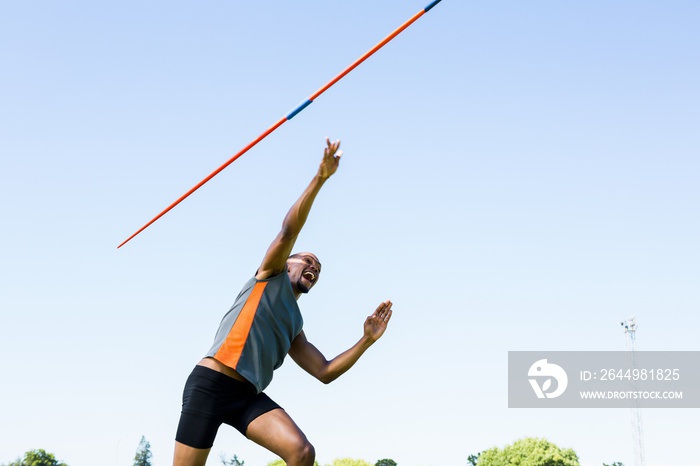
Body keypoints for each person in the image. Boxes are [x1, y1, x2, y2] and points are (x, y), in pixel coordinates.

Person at [173, 138, 393, 466]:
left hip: (247, 397)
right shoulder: (268, 275)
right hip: (211, 384)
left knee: (301, 452)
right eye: (307, 259)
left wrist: (366, 340)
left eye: (318, 268)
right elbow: (289, 231)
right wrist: (320, 178)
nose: (313, 267)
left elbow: (325, 371)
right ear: (287, 262)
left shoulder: (294, 324)